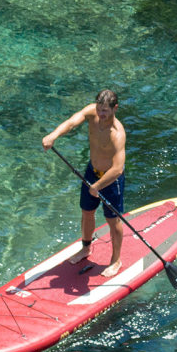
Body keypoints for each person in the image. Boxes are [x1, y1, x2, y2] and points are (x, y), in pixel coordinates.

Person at [42, 89, 126, 277]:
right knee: (87, 212)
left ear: (115, 108)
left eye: (105, 110)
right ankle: (86, 248)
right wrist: (53, 135)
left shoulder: (117, 134)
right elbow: (72, 122)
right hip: (92, 172)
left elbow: (118, 169)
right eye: (99, 108)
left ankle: (116, 260)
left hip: (111, 179)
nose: (101, 113)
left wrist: (97, 186)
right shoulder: (91, 112)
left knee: (113, 220)